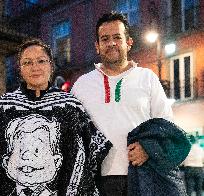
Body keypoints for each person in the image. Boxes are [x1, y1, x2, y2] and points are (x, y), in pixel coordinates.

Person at [0, 39, 112, 195]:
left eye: (41, 61)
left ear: (51, 65)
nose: (35, 67)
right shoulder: (3, 106)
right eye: (27, 62)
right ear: (20, 69)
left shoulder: (70, 106)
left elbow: (92, 149)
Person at [71, 11, 188, 195]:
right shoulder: (81, 85)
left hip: (142, 178)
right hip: (94, 182)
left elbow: (166, 126)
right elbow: (71, 132)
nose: (111, 43)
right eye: (105, 39)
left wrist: (148, 149)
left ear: (129, 42)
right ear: (97, 46)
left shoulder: (147, 78)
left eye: (117, 37)